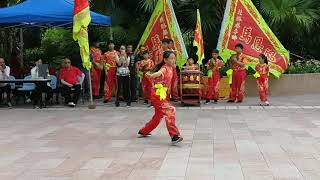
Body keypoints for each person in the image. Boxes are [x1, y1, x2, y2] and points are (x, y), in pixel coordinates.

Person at [138, 51, 183, 145]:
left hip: (162, 94)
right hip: (158, 94)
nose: (173, 60)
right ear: (165, 60)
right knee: (170, 110)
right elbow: (158, 73)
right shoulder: (165, 68)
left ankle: (144, 131)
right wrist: (151, 75)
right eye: (171, 58)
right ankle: (174, 136)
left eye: (174, 58)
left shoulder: (171, 67)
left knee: (158, 116)